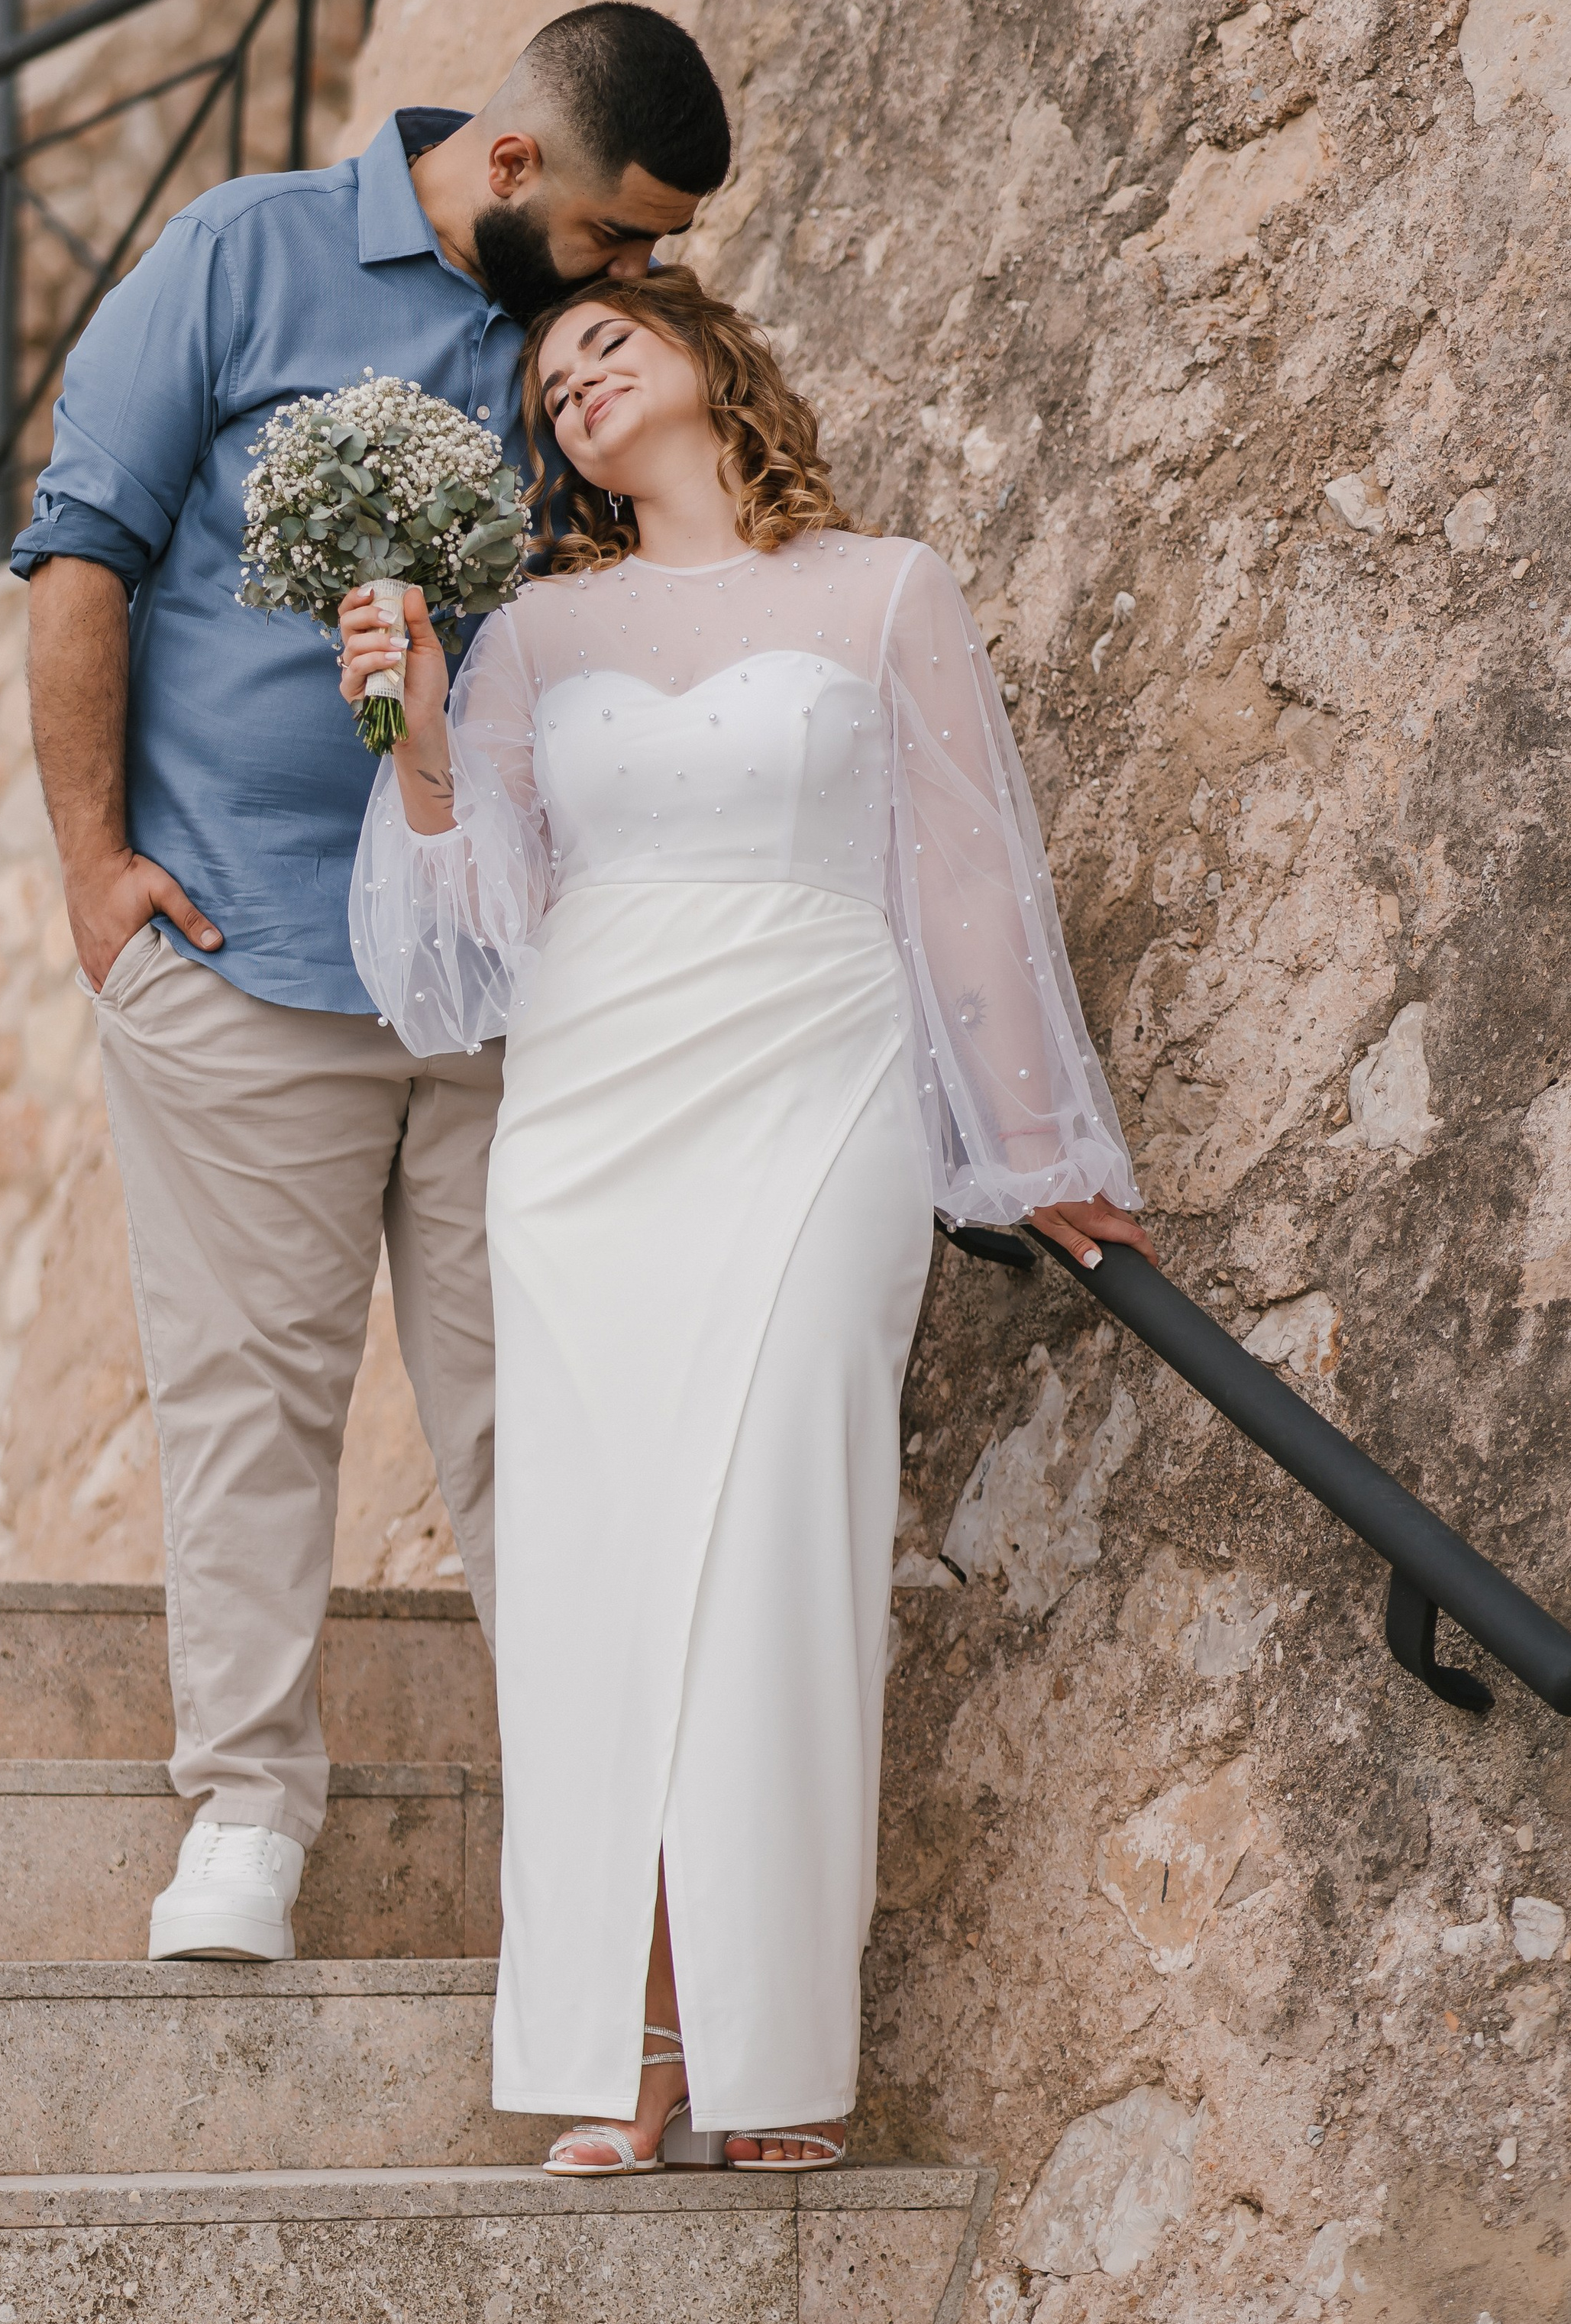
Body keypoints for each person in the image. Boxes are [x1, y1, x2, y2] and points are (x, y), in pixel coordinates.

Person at [339, 267, 1156, 2169]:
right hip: (594, 1107)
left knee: (785, 1544)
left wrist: (1036, 1150)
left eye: (608, 341)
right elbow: (477, 934)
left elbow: (960, 881)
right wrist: (415, 726)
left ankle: (774, 2046)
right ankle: (621, 2043)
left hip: (816, 1080)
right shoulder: (536, 627)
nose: (577, 380)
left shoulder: (886, 591)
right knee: (590, 1573)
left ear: (710, 360)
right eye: (549, 380)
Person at [15, 8, 732, 1964]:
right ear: (512, 168)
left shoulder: (574, 355)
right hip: (238, 956)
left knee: (538, 1421)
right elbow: (80, 552)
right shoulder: (239, 256)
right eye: (615, 235)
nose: (636, 277)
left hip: (506, 988)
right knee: (252, 1401)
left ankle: (601, 1839)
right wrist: (95, 870)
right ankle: (244, 1811)